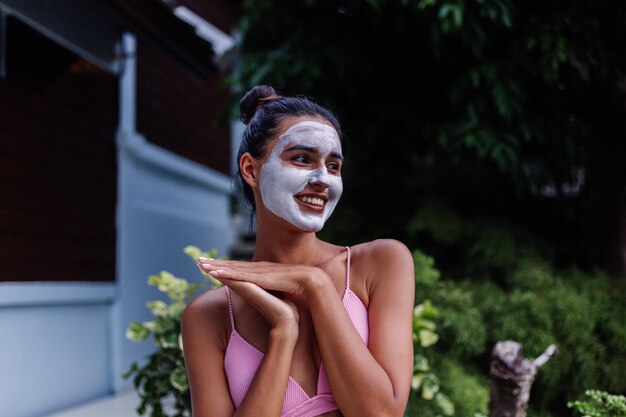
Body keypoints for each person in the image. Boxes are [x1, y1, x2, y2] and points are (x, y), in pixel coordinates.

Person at [182, 85, 415, 417]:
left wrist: (314, 284)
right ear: (251, 170)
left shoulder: (379, 263)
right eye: (302, 159)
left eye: (333, 166)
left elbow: (382, 414)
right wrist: (283, 330)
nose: (323, 178)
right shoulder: (210, 315)